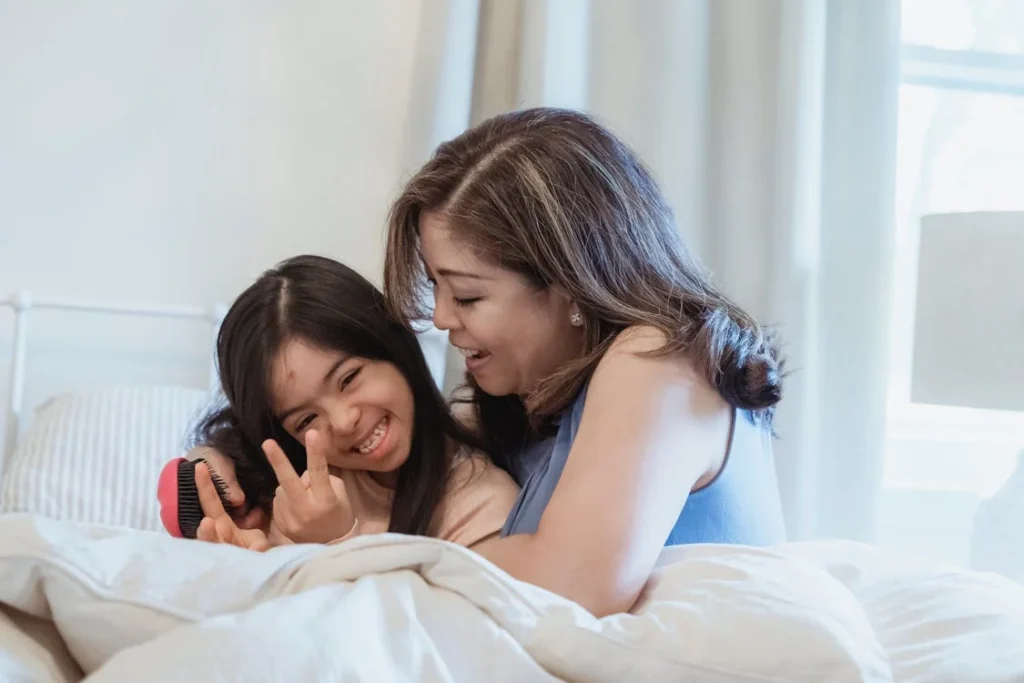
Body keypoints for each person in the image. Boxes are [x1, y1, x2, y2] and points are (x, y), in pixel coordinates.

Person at [382, 107, 788, 616]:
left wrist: (371, 560)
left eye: (466, 296)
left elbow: (567, 589)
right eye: (435, 286)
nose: (441, 318)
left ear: (569, 284)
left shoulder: (659, 362)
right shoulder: (538, 403)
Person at [176, 255, 520, 551]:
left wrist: (334, 543)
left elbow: (430, 627)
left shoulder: (481, 507)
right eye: (306, 420)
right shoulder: (291, 491)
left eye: (349, 378)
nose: (343, 422)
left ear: (393, 348)